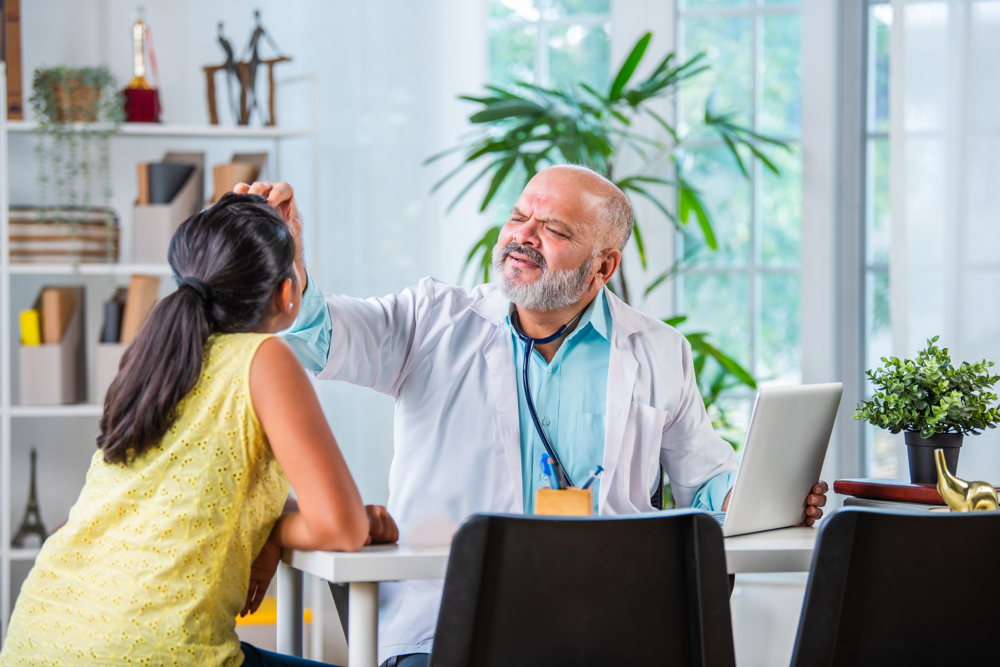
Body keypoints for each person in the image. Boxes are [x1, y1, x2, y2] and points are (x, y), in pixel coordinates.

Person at [240, 167, 828, 667]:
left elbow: (705, 481)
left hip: (607, 628)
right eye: (520, 217)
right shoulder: (430, 320)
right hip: (448, 627)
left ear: (602, 268)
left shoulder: (659, 350)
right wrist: (285, 258)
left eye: (553, 230)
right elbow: (318, 334)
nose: (524, 237)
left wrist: (757, 495)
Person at [0, 193, 398, 667]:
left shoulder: (156, 357)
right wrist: (326, 521)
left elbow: (196, 497)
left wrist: (273, 529)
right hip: (150, 653)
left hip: (37, 637)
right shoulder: (263, 358)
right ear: (287, 291)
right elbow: (341, 527)